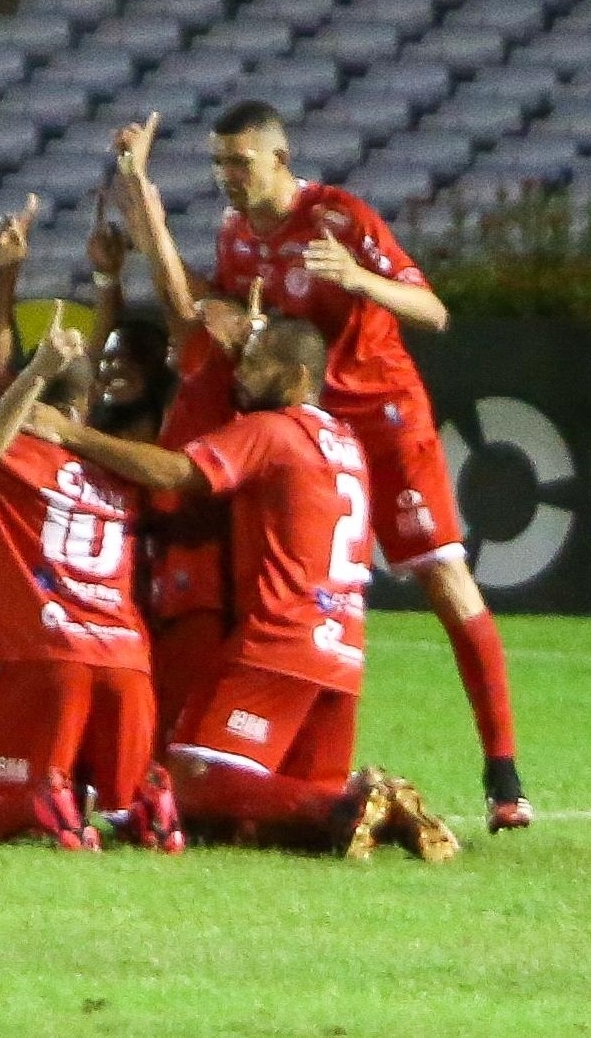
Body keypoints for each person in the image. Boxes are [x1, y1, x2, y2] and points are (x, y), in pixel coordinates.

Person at [170, 99, 529, 829]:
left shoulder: (340, 216)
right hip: (306, 423)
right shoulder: (235, 236)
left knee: (442, 574)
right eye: (218, 163)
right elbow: (230, 308)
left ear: (280, 157)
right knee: (288, 583)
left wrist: (361, 280)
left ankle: (504, 772)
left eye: (239, 161)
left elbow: (431, 311)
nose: (227, 176)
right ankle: (294, 748)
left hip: (383, 414)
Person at [33, 317, 459, 862]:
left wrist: (70, 435)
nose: (244, 372)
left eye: (257, 363)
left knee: (185, 782)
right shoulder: (347, 441)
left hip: (281, 641)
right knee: (262, 822)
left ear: (298, 375)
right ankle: (366, 813)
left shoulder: (273, 430)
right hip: (343, 653)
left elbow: (174, 472)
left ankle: (356, 803)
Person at [0, 306, 175, 852]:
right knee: (120, 803)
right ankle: (147, 808)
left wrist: (30, 379)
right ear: (86, 403)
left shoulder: (9, 448)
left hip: (48, 651)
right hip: (127, 660)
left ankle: (44, 807)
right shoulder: (121, 465)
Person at [100, 146, 244, 746]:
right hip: (157, 586)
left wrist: (146, 207)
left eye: (213, 313)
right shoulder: (160, 405)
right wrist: (111, 272)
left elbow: (175, 300)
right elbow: (104, 364)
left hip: (199, 587)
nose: (198, 317)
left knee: (178, 735)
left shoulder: (212, 380)